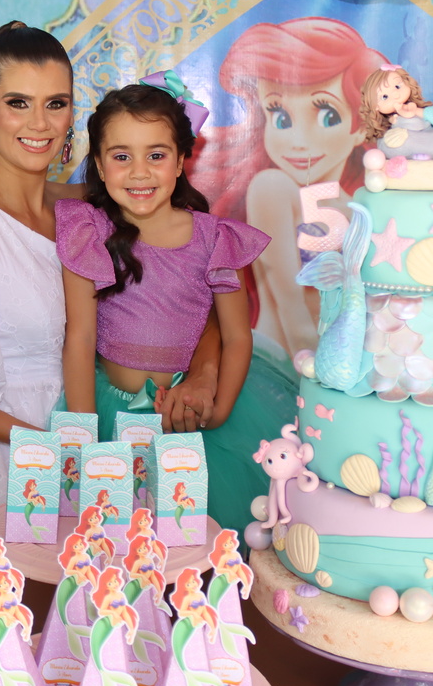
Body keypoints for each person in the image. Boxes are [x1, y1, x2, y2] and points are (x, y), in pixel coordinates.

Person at [0, 22, 220, 548]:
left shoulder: (95, 208)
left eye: (56, 104)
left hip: (98, 451)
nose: (39, 123)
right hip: (2, 469)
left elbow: (195, 296)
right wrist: (62, 448)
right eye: (18, 103)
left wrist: (204, 376)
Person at [55, 78, 281, 532]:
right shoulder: (87, 232)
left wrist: (218, 411)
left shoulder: (215, 238)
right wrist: (84, 438)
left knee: (193, 538)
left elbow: (237, 336)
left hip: (187, 419)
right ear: (99, 164)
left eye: (156, 155)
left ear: (180, 161)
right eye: (122, 157)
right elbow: (79, 337)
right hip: (111, 415)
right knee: (110, 537)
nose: (140, 173)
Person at [212, 18, 387, 359]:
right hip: (284, 361)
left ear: (361, 127)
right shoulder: (272, 188)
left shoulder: (361, 205)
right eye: (281, 117)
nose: (297, 140)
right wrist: (318, 369)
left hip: (338, 360)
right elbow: (290, 307)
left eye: (328, 116)